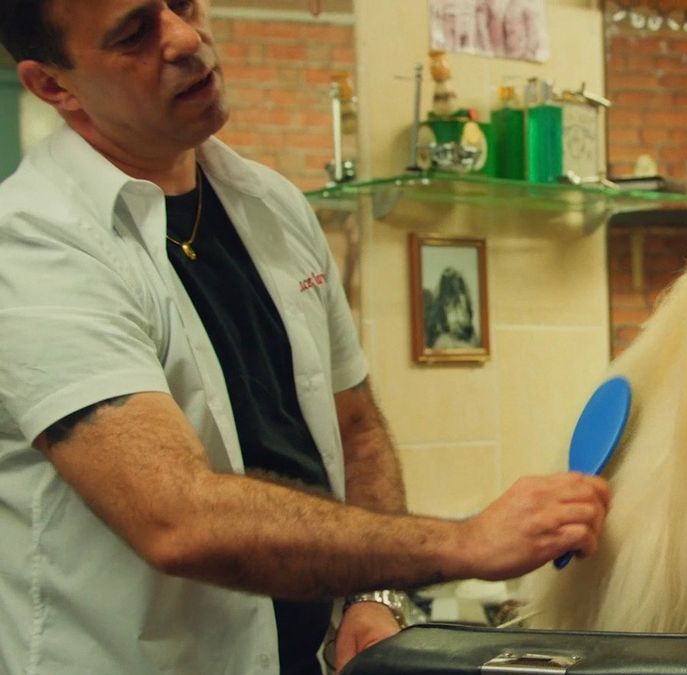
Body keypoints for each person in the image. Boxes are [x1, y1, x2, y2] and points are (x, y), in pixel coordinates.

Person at [0, 1, 611, 674]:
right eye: (135, 33)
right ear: (54, 85)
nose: (184, 38)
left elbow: (355, 429)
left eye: (183, 2)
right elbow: (176, 517)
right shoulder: (32, 245)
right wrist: (463, 543)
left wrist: (373, 594)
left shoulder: (271, 204)